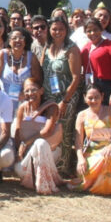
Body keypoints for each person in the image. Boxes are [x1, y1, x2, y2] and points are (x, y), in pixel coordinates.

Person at [40, 15, 82, 177]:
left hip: (66, 96)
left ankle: (64, 166)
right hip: (49, 96)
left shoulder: (71, 49)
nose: (57, 32)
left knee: (65, 130)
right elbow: (43, 71)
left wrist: (65, 101)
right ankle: (51, 164)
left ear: (66, 30)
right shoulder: (47, 46)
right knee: (50, 130)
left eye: (61, 29)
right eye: (54, 29)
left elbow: (77, 77)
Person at [70, 84, 111, 195]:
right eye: (90, 98)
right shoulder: (82, 115)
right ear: (84, 98)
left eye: (96, 97)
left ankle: (107, 186)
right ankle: (90, 182)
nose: (93, 100)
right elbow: (78, 142)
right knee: (87, 166)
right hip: (90, 153)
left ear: (102, 96)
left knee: (108, 157)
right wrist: (80, 159)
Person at [13, 78, 63, 195]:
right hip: (28, 153)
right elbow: (17, 132)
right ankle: (35, 178)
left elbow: (47, 131)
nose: (30, 94)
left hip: (49, 150)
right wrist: (18, 151)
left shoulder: (51, 107)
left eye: (33, 90)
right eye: (27, 91)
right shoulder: (22, 108)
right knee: (19, 169)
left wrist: (25, 143)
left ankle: (44, 185)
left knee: (40, 143)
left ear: (41, 91)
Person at [0, 27, 42, 111]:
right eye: (14, 38)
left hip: (26, 102)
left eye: (21, 38)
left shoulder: (32, 57)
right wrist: (1, 96)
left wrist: (26, 94)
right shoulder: (2, 54)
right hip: (3, 101)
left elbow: (37, 81)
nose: (18, 40)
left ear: (25, 41)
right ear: (9, 41)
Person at [80, 18, 111, 107]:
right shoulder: (86, 48)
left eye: (95, 30)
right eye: (89, 31)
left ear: (101, 29)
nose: (92, 33)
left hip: (106, 87)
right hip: (89, 86)